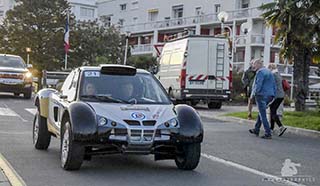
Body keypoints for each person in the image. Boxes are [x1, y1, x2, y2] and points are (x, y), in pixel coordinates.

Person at [249, 59, 276, 139]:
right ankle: (256, 129)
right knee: (261, 111)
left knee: (263, 114)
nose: (252, 66)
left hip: (261, 95)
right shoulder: (269, 71)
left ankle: (268, 133)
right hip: (270, 95)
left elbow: (258, 85)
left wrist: (253, 95)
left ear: (258, 64)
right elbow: (274, 85)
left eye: (254, 64)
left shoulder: (260, 72)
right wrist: (273, 95)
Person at [267, 63, 287, 136]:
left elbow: (271, 85)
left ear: (270, 68)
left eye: (268, 68)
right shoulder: (278, 74)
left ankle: (281, 127)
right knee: (273, 110)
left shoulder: (273, 75)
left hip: (276, 96)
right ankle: (271, 129)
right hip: (281, 95)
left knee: (273, 112)